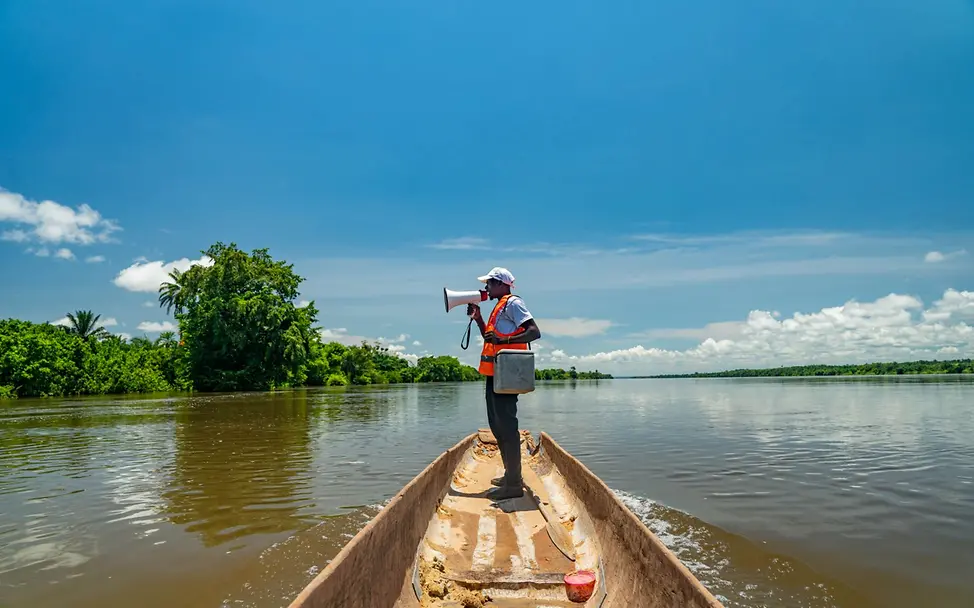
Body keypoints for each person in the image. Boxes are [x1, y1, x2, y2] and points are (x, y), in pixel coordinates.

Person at [466, 267, 541, 500]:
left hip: (506, 374)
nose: (486, 288)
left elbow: (533, 332)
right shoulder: (499, 307)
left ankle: (514, 485)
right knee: (497, 426)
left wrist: (505, 339)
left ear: (500, 284)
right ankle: (510, 476)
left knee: (506, 427)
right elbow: (491, 339)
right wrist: (478, 319)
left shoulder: (513, 303)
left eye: (489, 283)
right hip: (495, 374)